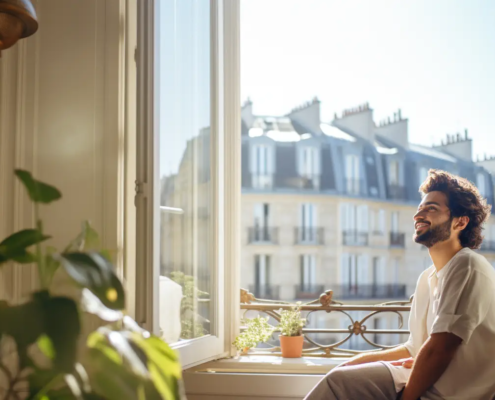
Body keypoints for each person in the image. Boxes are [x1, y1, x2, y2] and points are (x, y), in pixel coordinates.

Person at [305, 170, 495, 400]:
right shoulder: (427, 278)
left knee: (338, 385)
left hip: (450, 393)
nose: (419, 214)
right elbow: (414, 348)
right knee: (338, 378)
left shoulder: (467, 265)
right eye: (420, 208)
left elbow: (441, 348)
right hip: (425, 381)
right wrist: (347, 365)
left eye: (431, 208)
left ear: (461, 221)